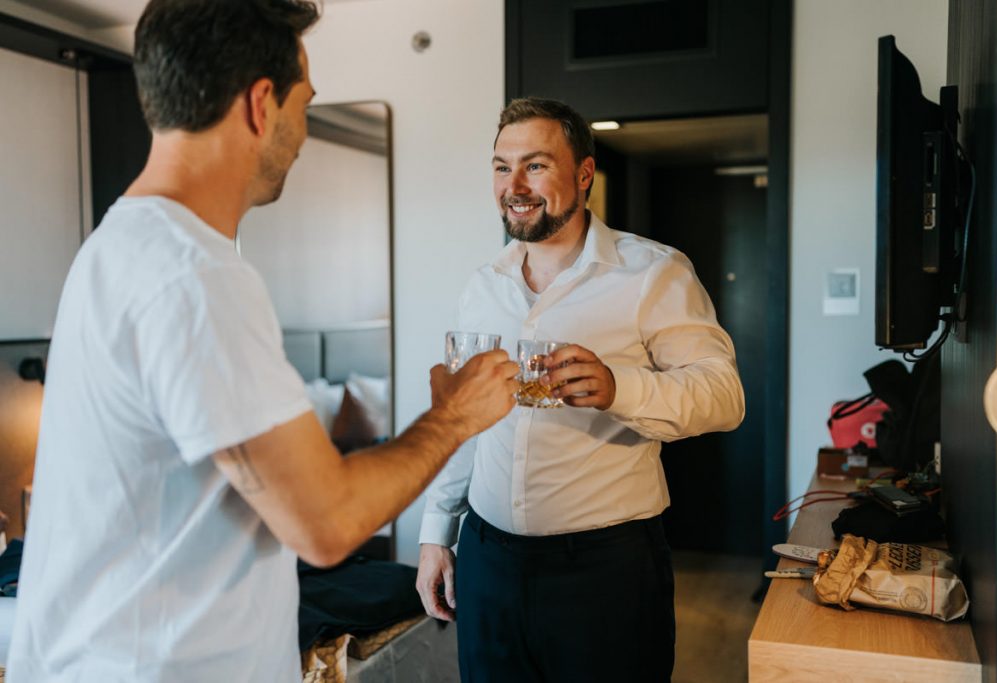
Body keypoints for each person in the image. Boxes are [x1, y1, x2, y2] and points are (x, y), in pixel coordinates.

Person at [6, 1, 518, 681]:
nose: (304, 131)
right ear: (259, 104)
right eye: (304, 102)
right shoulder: (193, 277)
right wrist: (456, 414)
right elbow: (327, 521)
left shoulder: (117, 246)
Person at [414, 97, 745, 682]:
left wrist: (621, 388)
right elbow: (466, 421)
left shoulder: (653, 272)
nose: (513, 185)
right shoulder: (482, 285)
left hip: (607, 569)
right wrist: (437, 533)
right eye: (500, 166)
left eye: (535, 165)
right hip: (488, 560)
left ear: (584, 174)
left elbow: (724, 395)